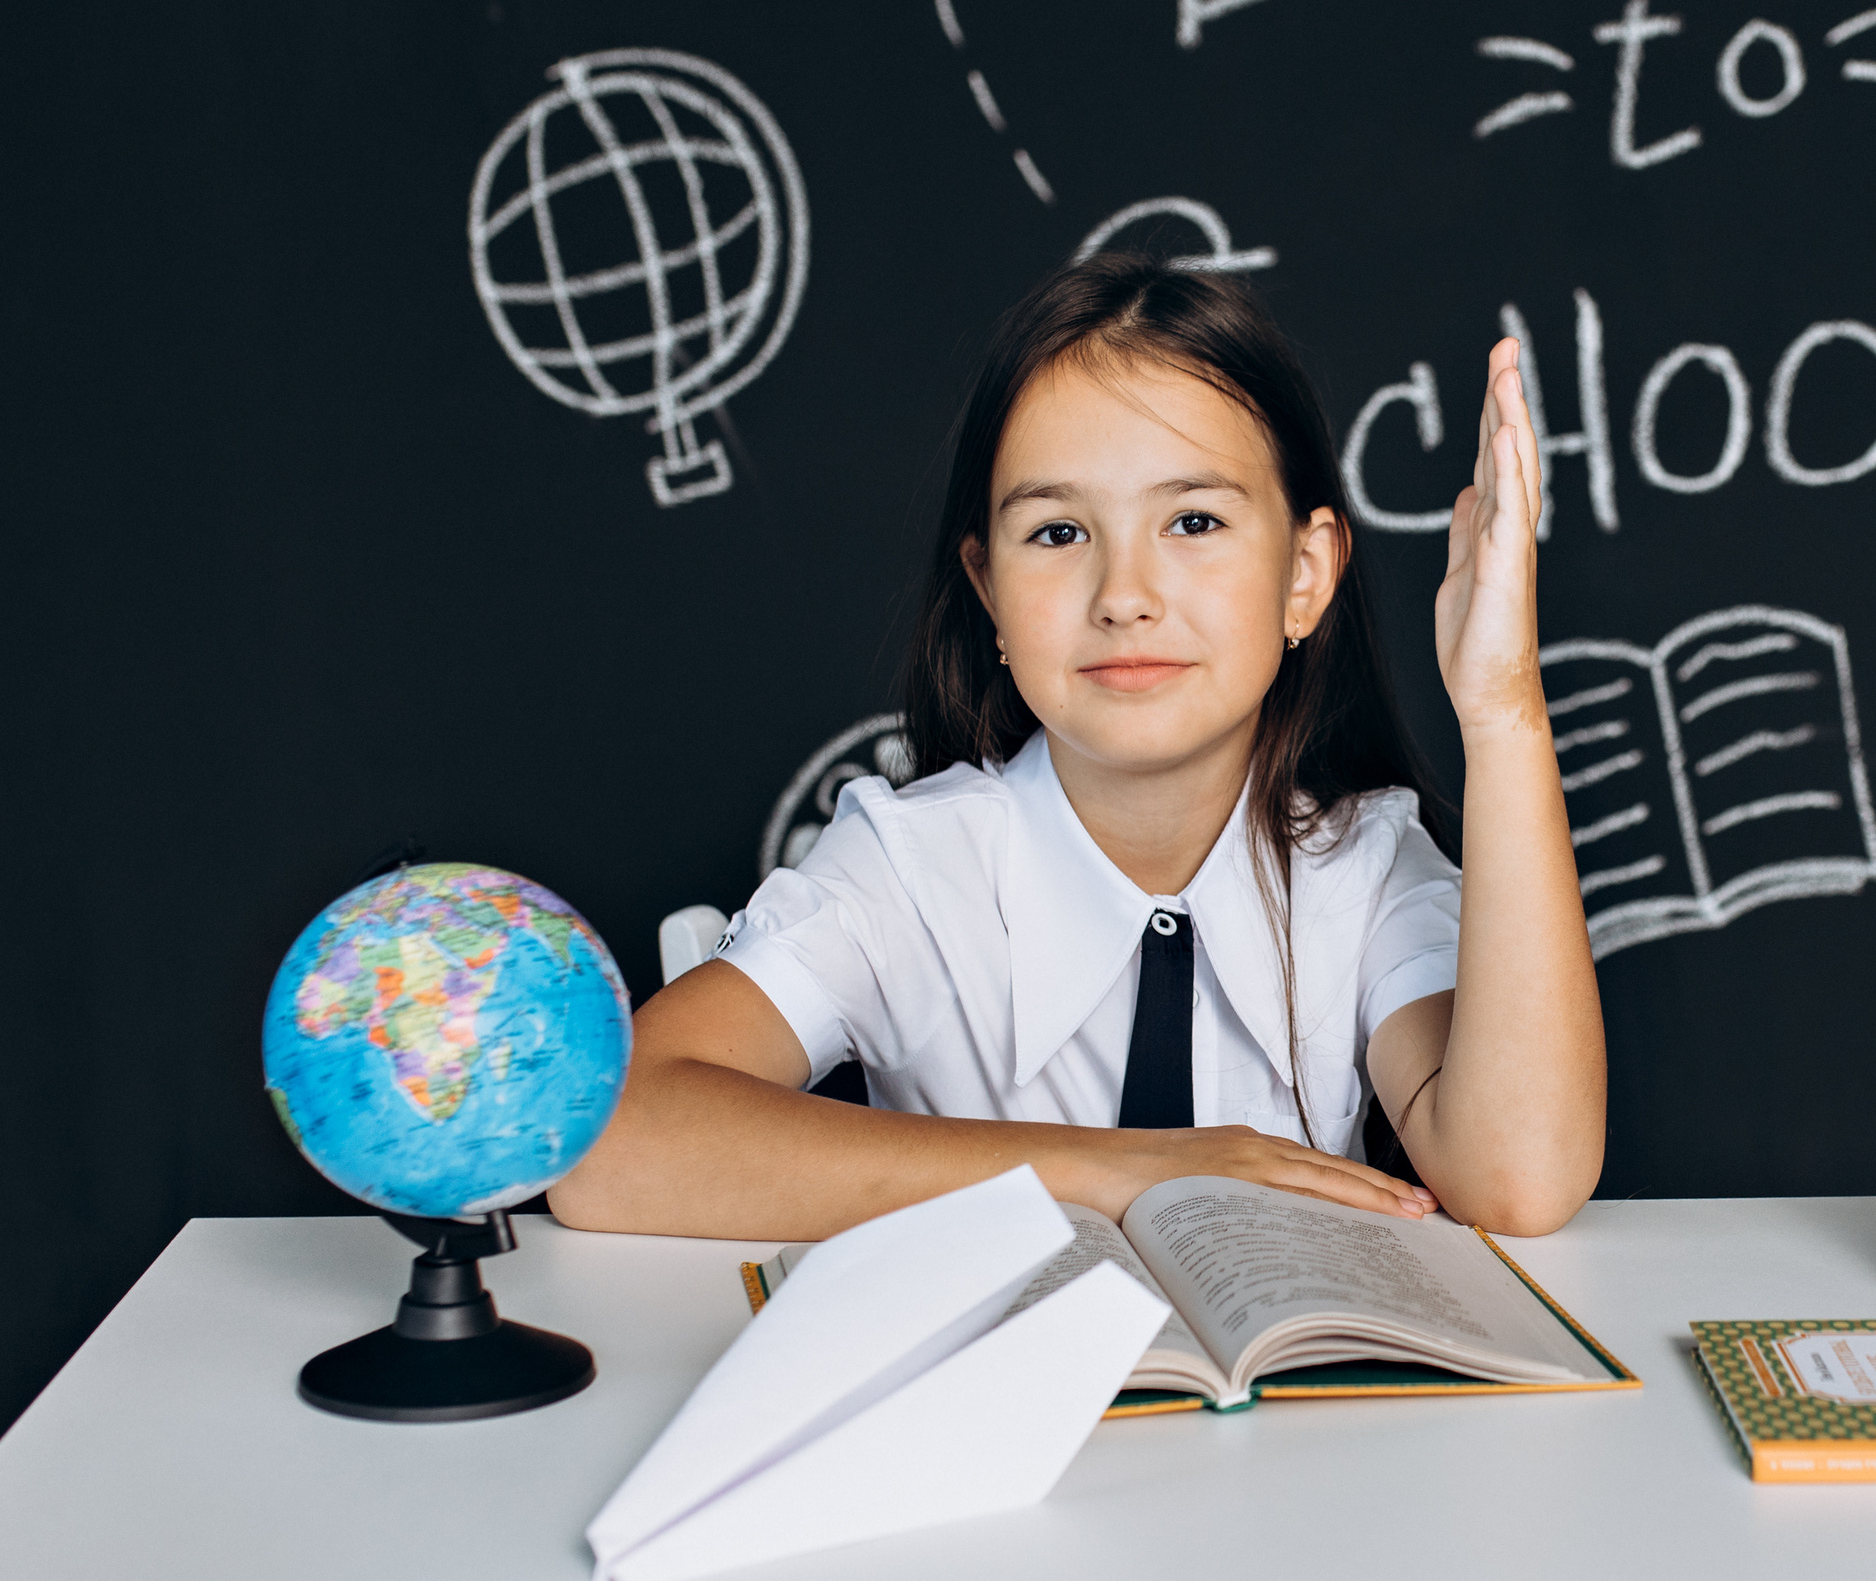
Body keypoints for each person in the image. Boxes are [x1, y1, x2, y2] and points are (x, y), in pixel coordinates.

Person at [551, 255, 1604, 1241]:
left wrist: (1501, 705)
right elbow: (604, 1144)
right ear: (989, 593)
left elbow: (1520, 1177)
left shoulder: (1361, 867)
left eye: (1192, 522)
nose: (1124, 598)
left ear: (1305, 576)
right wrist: (1113, 1170)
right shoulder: (911, 869)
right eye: (1057, 534)